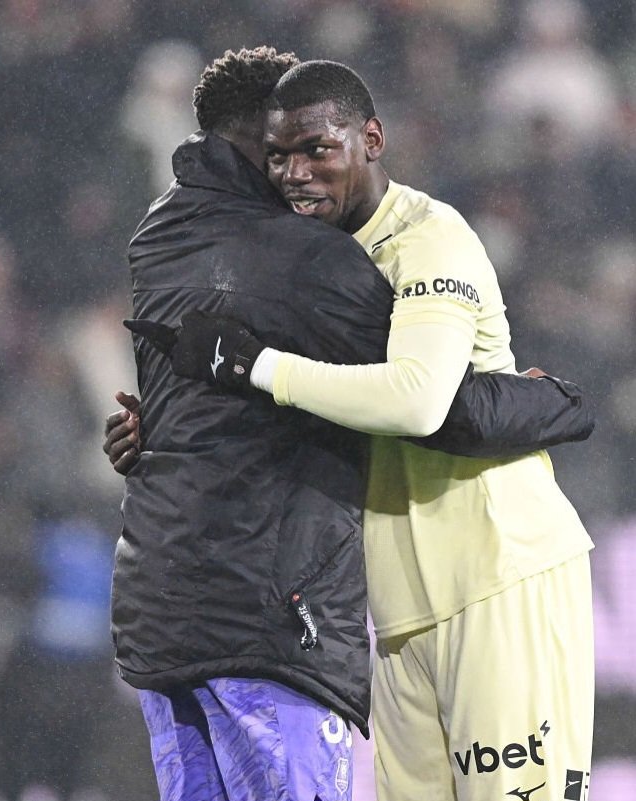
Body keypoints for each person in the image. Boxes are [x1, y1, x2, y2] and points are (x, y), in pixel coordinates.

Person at [129, 61, 595, 801]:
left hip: (496, 572)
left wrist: (256, 366)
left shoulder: (428, 237)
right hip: (398, 607)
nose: (297, 174)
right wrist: (149, 424)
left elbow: (419, 402)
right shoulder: (310, 261)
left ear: (371, 139)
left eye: (318, 149)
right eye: (279, 156)